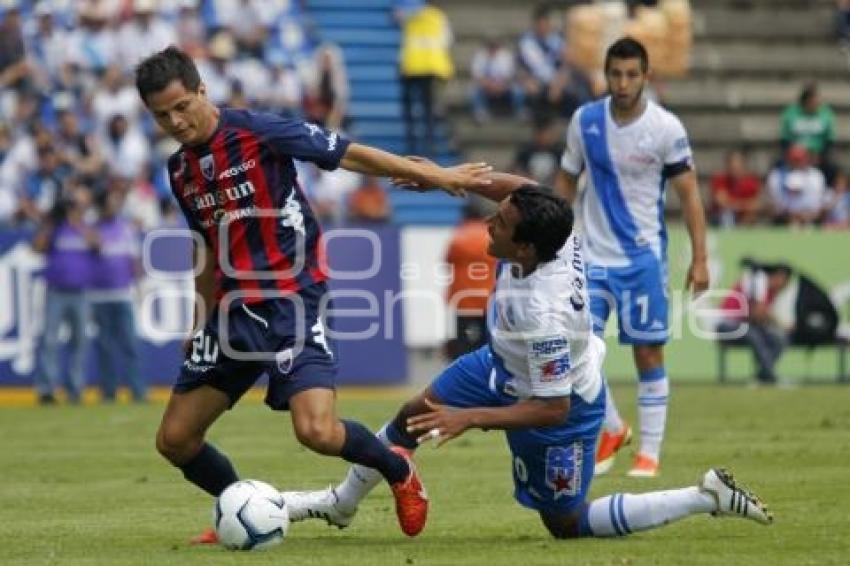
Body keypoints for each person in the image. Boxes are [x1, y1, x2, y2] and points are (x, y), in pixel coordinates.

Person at [281, 172, 772, 539]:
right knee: (412, 416)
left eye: (501, 224)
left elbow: (551, 406)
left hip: (560, 407)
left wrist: (468, 418)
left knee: (566, 524)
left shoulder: (541, 310)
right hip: (501, 362)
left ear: (526, 248)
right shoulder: (551, 229)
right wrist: (441, 177)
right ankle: (343, 503)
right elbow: (526, 190)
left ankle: (705, 495)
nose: (489, 224)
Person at [134, 45, 491, 542]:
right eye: (160, 115)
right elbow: (206, 249)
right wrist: (198, 321)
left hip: (291, 300)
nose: (174, 121)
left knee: (317, 432)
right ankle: (246, 507)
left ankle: (398, 469)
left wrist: (435, 175)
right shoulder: (180, 171)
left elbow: (346, 152)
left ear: (201, 91)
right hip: (232, 312)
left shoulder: (258, 131)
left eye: (181, 107)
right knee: (175, 439)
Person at [555, 37, 709, 478]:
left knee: (647, 355)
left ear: (646, 77)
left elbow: (690, 197)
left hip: (643, 261)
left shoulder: (665, 128)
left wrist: (699, 259)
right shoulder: (584, 122)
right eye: (615, 74)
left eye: (631, 75)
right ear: (605, 75)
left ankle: (650, 453)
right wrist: (553, 240)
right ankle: (613, 427)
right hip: (591, 259)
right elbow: (565, 182)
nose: (622, 84)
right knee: (575, 349)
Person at [32, 187, 98, 405]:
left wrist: (77, 224)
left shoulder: (85, 228)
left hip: (80, 292)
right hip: (56, 291)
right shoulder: (55, 229)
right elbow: (37, 247)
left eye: (74, 206)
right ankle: (46, 389)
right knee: (49, 340)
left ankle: (75, 389)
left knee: (79, 342)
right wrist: (51, 222)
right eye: (69, 206)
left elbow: (98, 246)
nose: (71, 210)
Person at [90, 190, 146, 403]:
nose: (113, 208)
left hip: (123, 294)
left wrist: (140, 287)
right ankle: (109, 391)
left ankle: (138, 390)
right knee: (105, 347)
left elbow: (135, 261)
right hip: (98, 296)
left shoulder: (126, 229)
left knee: (130, 345)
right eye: (109, 204)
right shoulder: (93, 228)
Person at [717, 261, 792, 386]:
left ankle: (762, 376)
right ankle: (771, 377)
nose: (785, 285)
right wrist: (781, 323)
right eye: (785, 280)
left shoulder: (771, 292)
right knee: (753, 334)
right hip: (726, 325)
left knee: (778, 339)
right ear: (780, 276)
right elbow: (757, 313)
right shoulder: (760, 282)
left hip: (746, 326)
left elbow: (759, 316)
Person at [398, 1, 454, 156]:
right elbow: (447, 41)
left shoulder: (411, 14)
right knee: (428, 109)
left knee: (409, 109)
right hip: (431, 67)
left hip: (411, 66)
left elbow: (398, 22)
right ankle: (429, 146)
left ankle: (412, 144)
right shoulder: (439, 17)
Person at [443, 203, 496, 360]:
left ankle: (463, 374)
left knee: (464, 341)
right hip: (488, 296)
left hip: (464, 298)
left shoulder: (459, 236)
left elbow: (448, 260)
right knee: (488, 341)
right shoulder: (491, 235)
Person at [767, 145, 827, 227]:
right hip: (785, 219)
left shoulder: (816, 175)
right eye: (794, 159)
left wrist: (808, 214)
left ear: (807, 158)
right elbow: (775, 202)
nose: (797, 162)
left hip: (811, 218)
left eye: (800, 159)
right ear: (788, 159)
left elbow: (820, 201)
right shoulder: (778, 175)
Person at [709, 149, 762, 227]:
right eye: (732, 164)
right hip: (721, 220)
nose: (735, 167)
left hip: (743, 219)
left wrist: (735, 204)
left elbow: (757, 204)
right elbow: (721, 202)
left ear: (743, 165)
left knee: (751, 214)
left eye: (738, 164)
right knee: (726, 214)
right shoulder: (720, 180)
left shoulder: (751, 182)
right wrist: (745, 205)